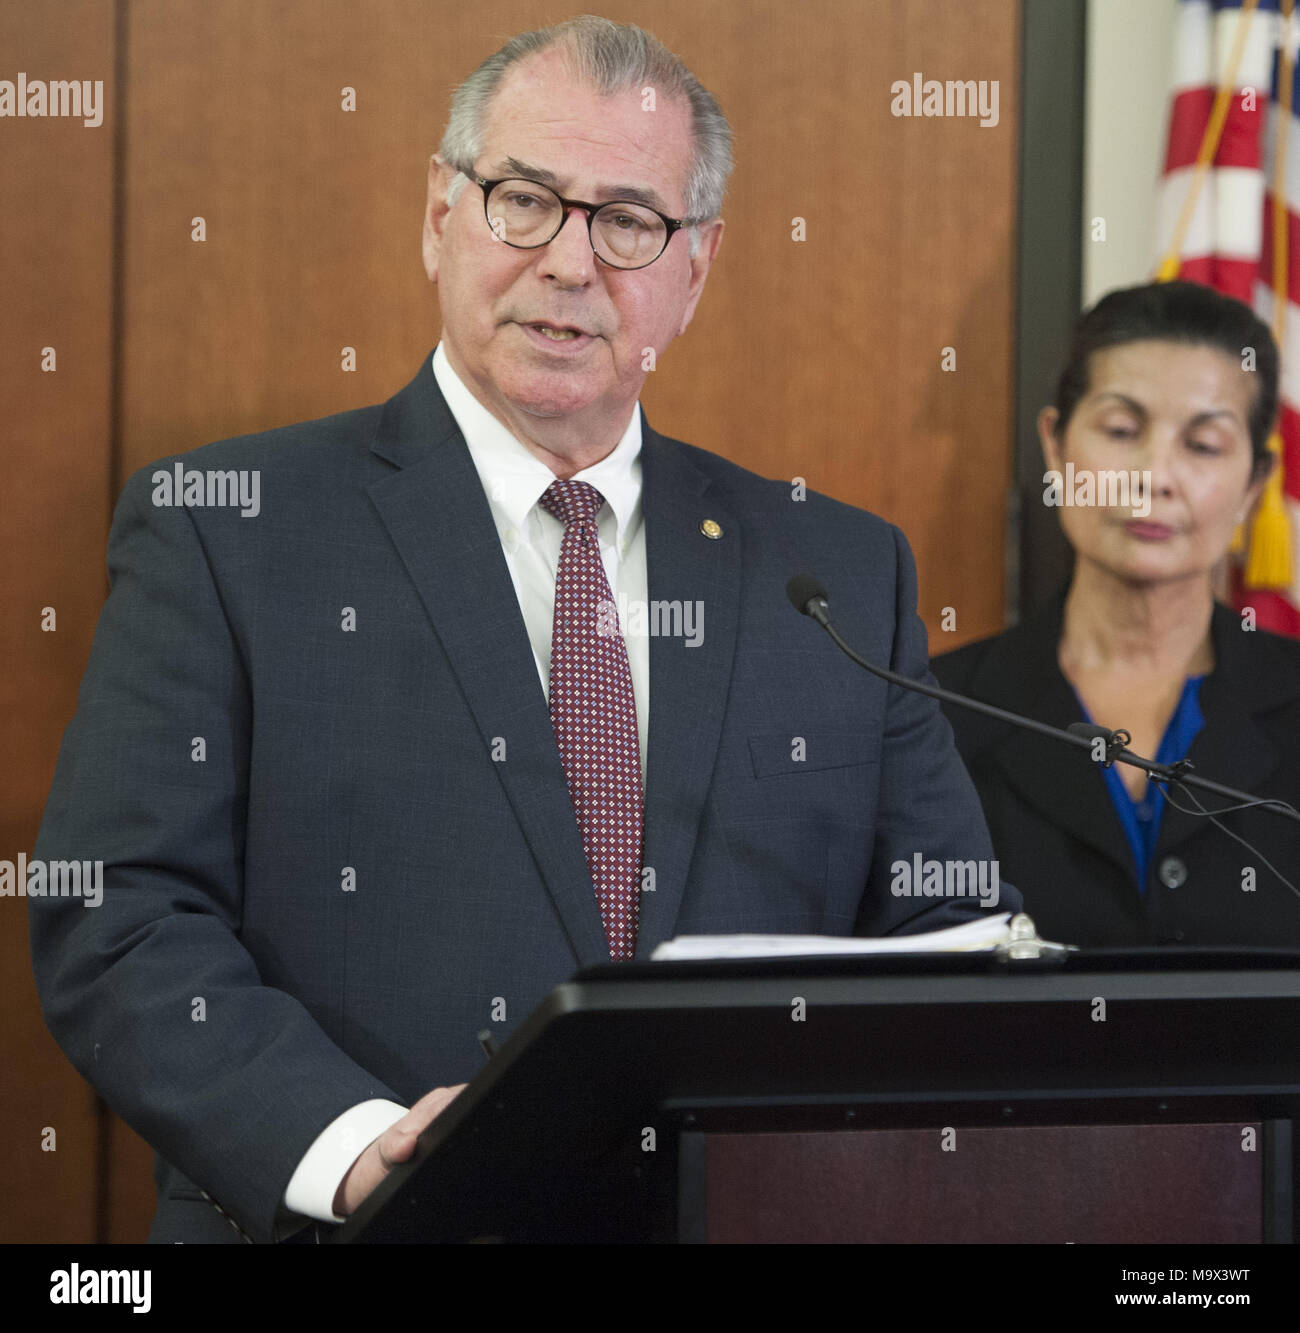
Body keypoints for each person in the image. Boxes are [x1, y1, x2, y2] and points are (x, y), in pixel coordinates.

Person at [29, 16, 1014, 1245]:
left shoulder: (838, 573)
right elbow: (117, 912)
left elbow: (948, 933)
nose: (569, 262)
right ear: (440, 213)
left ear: (693, 268)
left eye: (629, 222)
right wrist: (349, 1146)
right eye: (525, 201)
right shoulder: (232, 530)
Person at [934, 280, 1300, 949]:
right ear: (1055, 445)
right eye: (1123, 430)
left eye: (1204, 445)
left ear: (1253, 483)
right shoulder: (932, 713)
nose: (1155, 475)